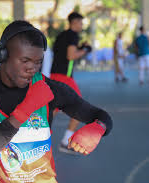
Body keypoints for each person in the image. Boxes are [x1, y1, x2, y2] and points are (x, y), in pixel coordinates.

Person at [0, 20, 113, 182]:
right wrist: (27, 108)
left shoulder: (47, 87)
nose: (32, 69)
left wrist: (98, 128)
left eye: (38, 62)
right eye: (25, 60)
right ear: (2, 55)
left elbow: (99, 115)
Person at [50, 12, 92, 155]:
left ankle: (33, 140)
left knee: (52, 110)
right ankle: (66, 142)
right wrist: (85, 50)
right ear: (75, 23)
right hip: (64, 78)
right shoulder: (73, 35)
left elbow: (64, 54)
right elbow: (71, 56)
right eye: (81, 23)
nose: (82, 25)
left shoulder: (62, 36)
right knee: (79, 108)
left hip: (54, 75)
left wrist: (80, 47)